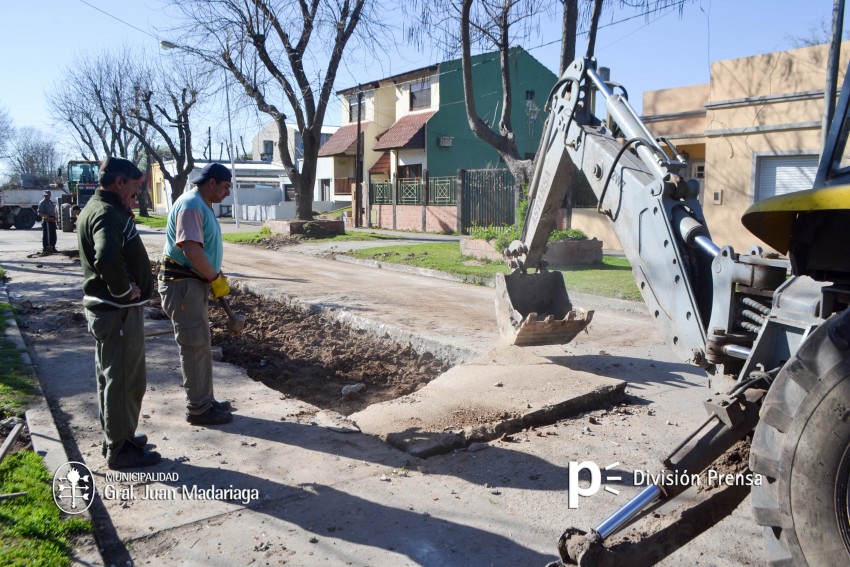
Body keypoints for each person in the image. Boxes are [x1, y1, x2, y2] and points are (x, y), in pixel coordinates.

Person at [77, 157, 161, 469]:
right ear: (119, 182)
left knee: (113, 377)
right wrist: (124, 291)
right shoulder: (105, 212)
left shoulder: (100, 208)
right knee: (125, 380)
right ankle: (120, 450)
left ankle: (119, 435)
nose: (136, 193)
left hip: (110, 312)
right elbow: (106, 255)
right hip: (117, 311)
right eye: (135, 186)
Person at [159, 162, 234, 425]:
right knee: (193, 346)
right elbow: (191, 248)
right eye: (225, 187)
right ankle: (199, 409)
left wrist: (215, 275)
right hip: (183, 286)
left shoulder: (202, 205)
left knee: (201, 344)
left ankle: (205, 400)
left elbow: (204, 248)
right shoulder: (191, 205)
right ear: (211, 183)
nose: (227, 193)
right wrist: (214, 277)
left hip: (193, 284)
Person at [37, 190, 57, 254]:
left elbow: (53, 211)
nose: (47, 196)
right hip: (46, 221)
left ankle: (53, 247)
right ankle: (45, 248)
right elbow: (39, 212)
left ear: (50, 195)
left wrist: (55, 217)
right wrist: (45, 216)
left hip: (52, 220)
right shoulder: (42, 203)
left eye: (48, 195)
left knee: (53, 234)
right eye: (46, 195)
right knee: (46, 235)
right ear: (44, 195)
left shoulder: (50, 202)